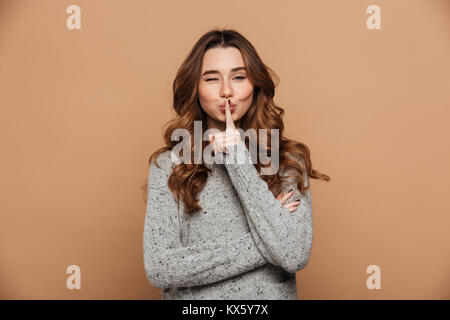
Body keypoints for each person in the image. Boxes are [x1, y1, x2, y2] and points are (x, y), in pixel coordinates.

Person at [142, 29, 330, 299]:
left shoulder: (287, 162)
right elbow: (160, 268)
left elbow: (294, 254)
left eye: (239, 77)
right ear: (195, 87)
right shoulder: (169, 165)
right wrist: (267, 241)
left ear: (255, 85)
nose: (226, 91)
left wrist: (238, 159)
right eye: (211, 79)